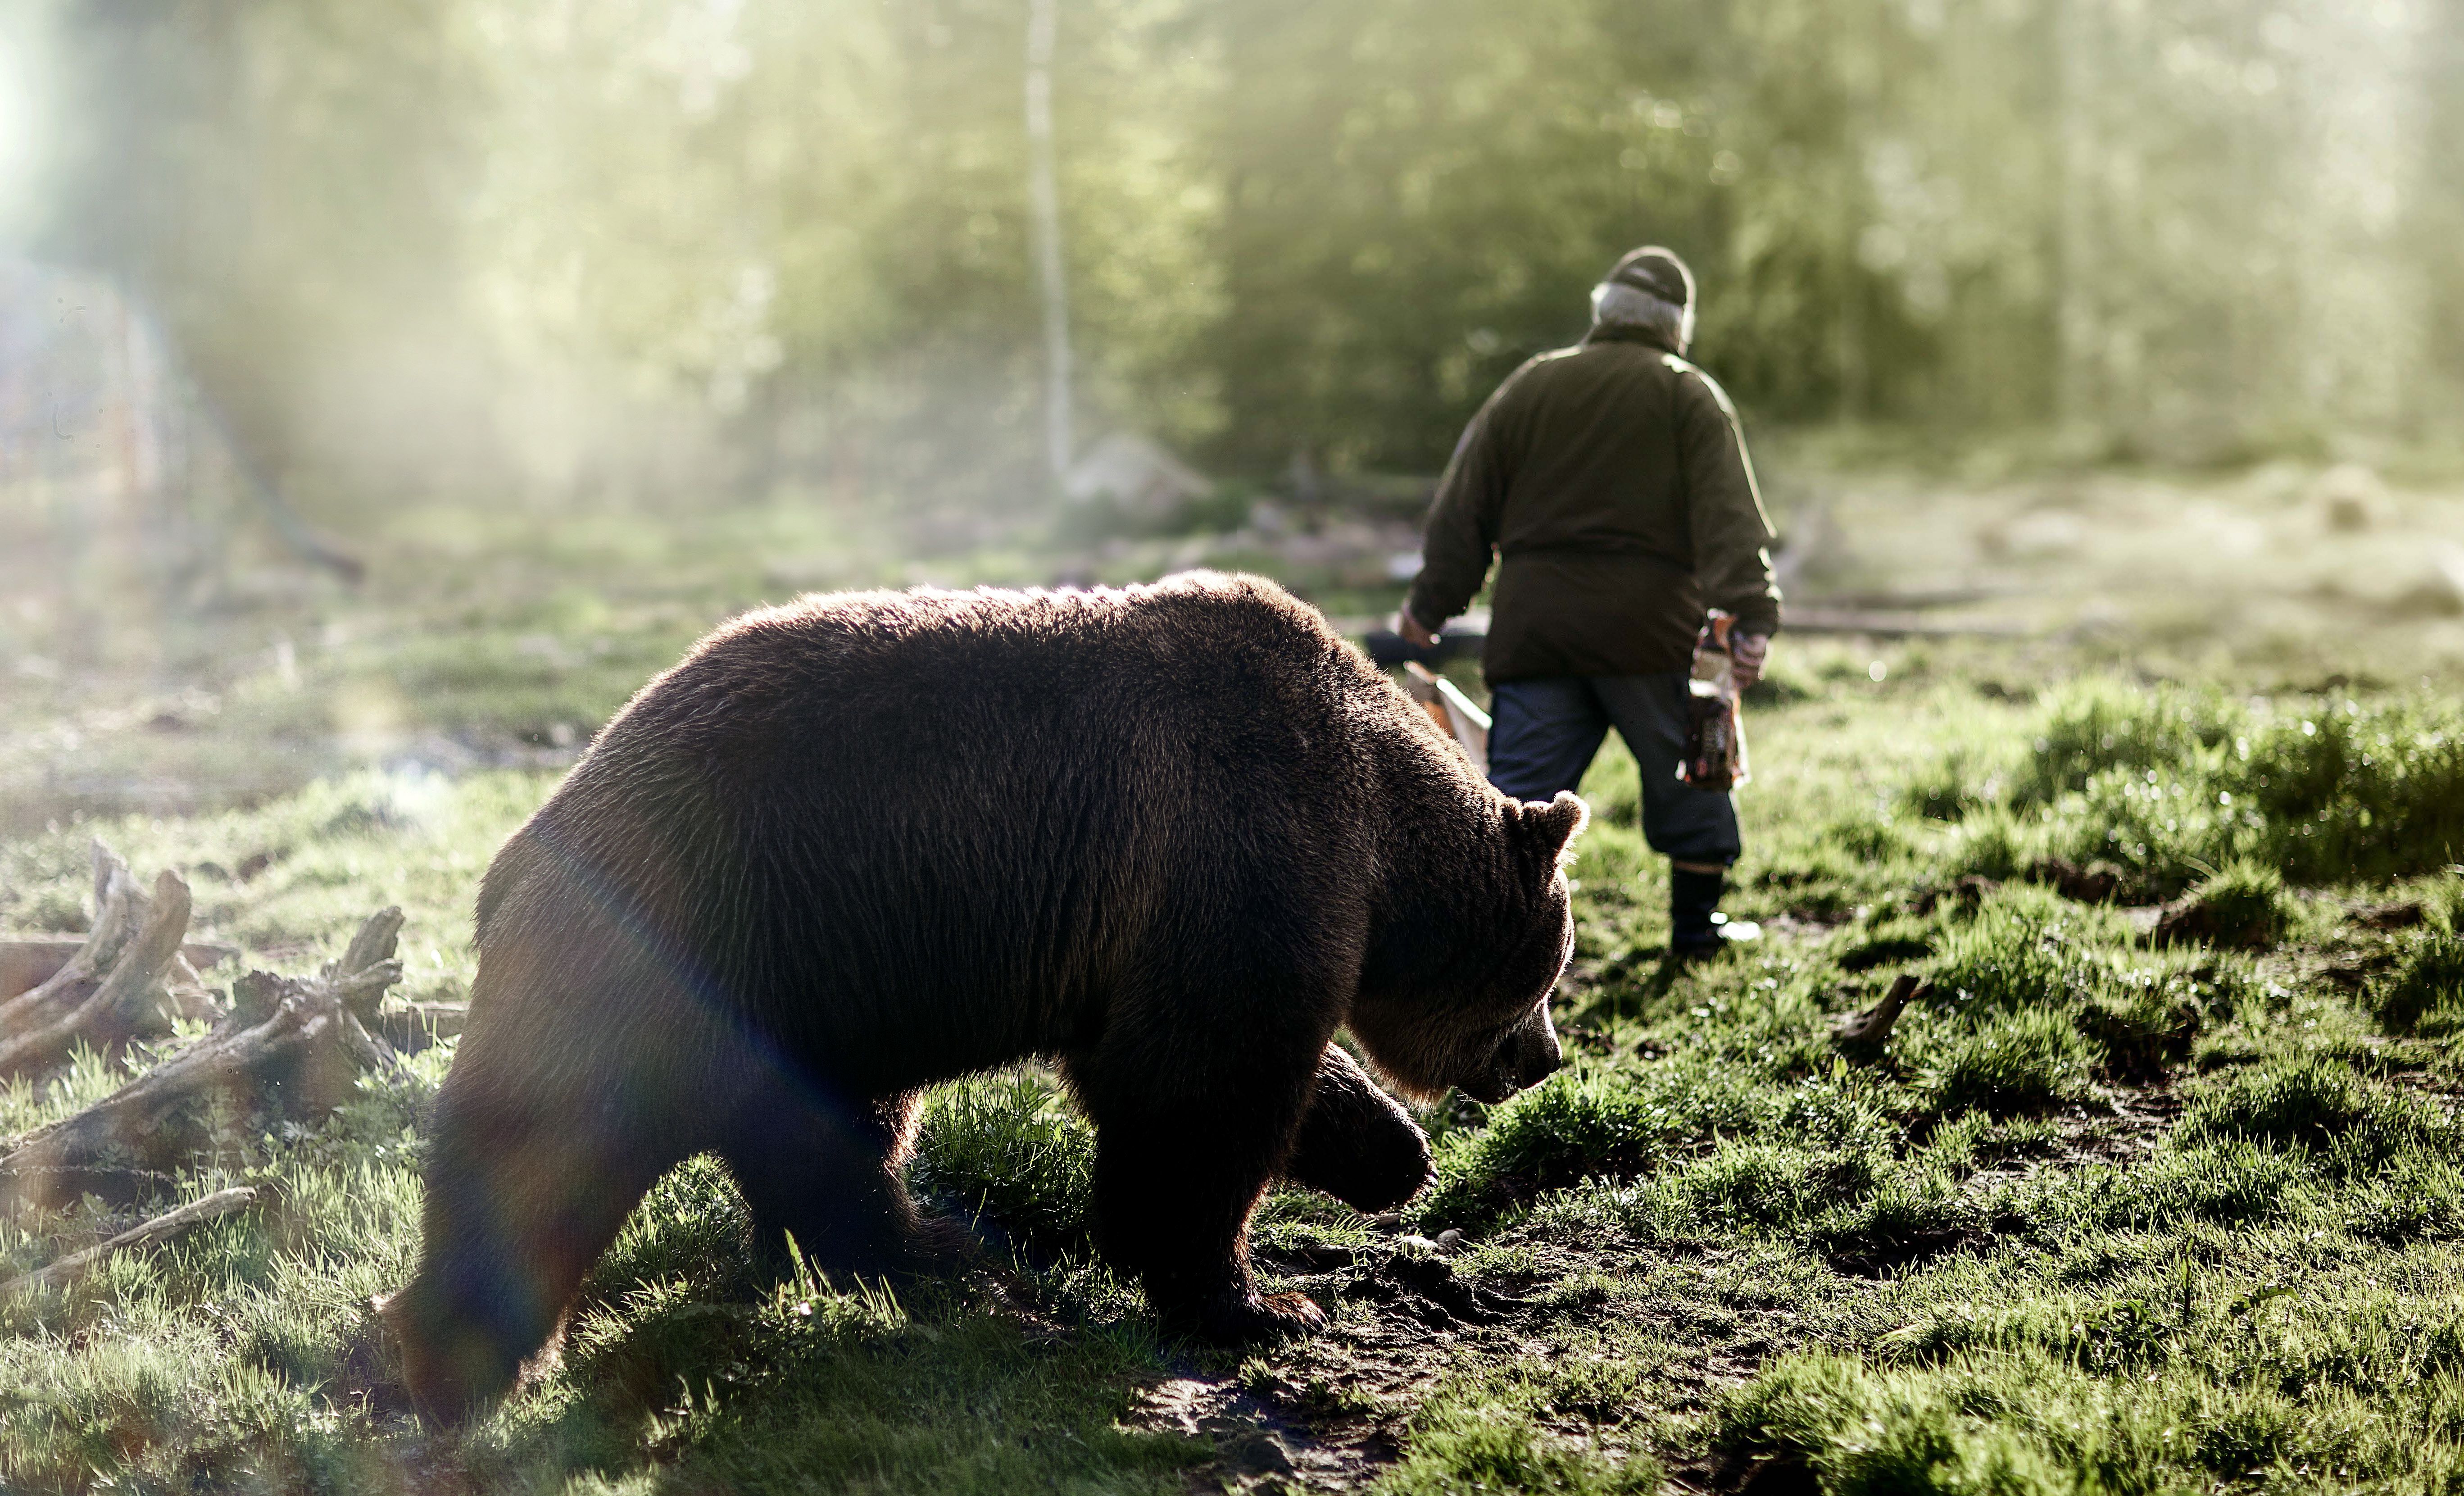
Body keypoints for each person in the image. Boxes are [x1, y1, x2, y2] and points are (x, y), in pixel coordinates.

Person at [1398, 246, 1781, 961]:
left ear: (1602, 313)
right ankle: (1696, 931)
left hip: (1539, 633)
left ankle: (1489, 949)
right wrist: (1752, 615)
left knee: (1518, 808)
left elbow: (1462, 510)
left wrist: (1428, 608)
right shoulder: (1687, 394)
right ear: (1677, 328)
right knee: (1690, 772)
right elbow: (1730, 520)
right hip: (1652, 636)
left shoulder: (1531, 386)